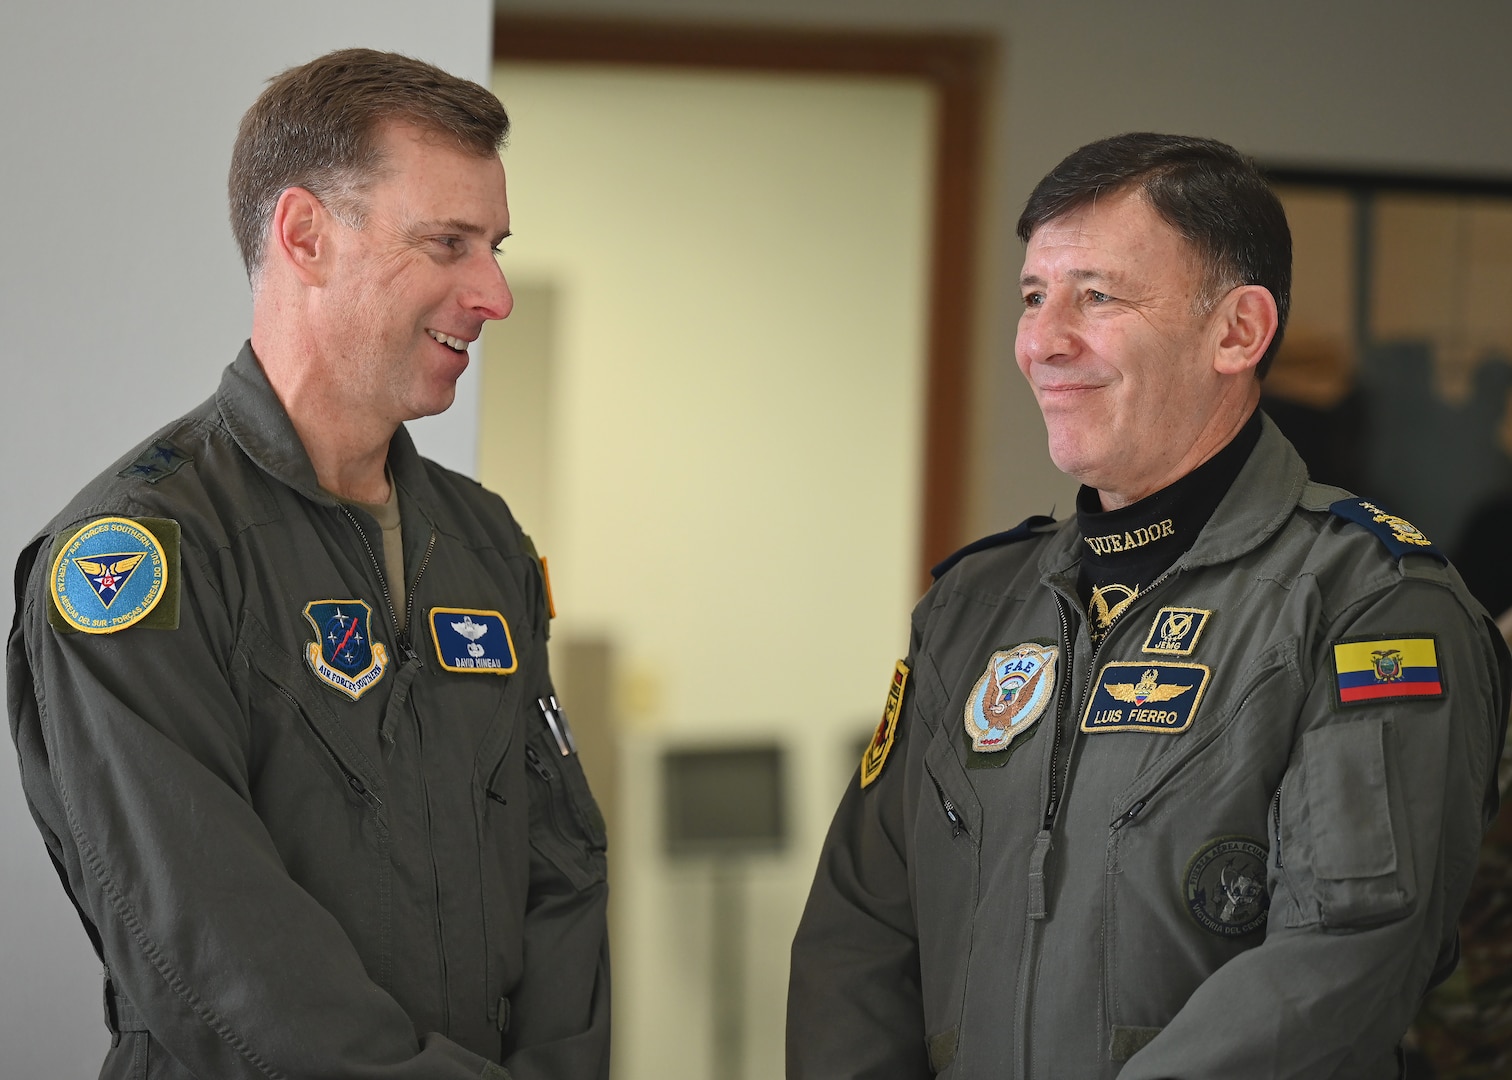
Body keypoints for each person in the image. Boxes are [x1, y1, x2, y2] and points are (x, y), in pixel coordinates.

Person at [787, 133, 1509, 1078]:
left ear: (1238, 332)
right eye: (1034, 296)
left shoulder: (1369, 606)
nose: (1044, 340)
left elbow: (1343, 956)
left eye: (1097, 295)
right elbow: (859, 935)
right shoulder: (972, 605)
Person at [8, 49, 608, 1080]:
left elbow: (559, 869)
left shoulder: (482, 541)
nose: (496, 294)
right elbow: (207, 941)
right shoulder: (136, 556)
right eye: (449, 244)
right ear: (305, 235)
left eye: (495, 246)